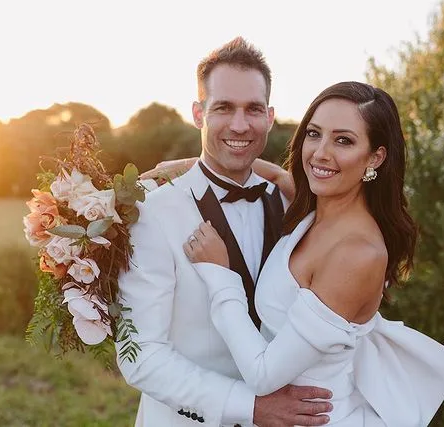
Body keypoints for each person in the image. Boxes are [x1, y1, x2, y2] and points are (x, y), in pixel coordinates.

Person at [182, 81, 444, 426]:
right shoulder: (314, 203)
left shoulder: (358, 254)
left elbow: (262, 375)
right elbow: (267, 170)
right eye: (314, 134)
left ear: (375, 157)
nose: (320, 153)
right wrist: (182, 169)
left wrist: (219, 274)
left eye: (343, 140)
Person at [115, 37, 333, 427]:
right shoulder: (154, 214)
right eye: (223, 108)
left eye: (253, 109)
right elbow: (140, 356)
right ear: (199, 114)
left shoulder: (291, 205)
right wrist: (250, 407)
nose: (239, 124)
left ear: (269, 117)